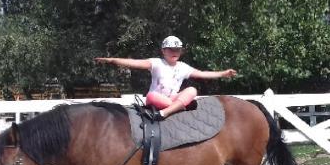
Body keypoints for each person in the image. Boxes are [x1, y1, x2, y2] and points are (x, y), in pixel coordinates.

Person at [94, 36, 237, 119]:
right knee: (152, 96)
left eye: (178, 50)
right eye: (171, 49)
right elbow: (133, 63)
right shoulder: (156, 63)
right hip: (157, 100)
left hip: (172, 101)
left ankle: (165, 113)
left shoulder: (183, 67)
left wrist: (223, 73)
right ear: (163, 51)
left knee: (192, 90)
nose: (175, 52)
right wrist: (112, 60)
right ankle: (177, 109)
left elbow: (203, 74)